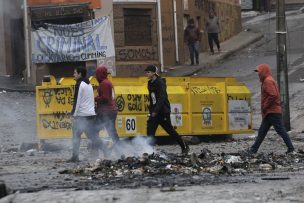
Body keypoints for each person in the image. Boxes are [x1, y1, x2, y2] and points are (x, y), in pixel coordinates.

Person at [249, 64, 295, 154]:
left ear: (264, 71)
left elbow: (273, 95)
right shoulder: (267, 80)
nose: (258, 74)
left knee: (280, 130)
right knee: (262, 132)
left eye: (259, 72)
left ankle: (291, 148)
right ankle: (253, 149)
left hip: (272, 112)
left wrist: (265, 105)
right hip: (269, 112)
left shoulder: (267, 81)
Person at [145, 65, 189, 154]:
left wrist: (156, 110)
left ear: (154, 73)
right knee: (150, 131)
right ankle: (150, 151)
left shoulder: (160, 82)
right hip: (154, 112)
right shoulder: (150, 83)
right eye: (146, 72)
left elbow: (162, 98)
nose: (147, 74)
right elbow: (152, 98)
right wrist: (151, 110)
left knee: (170, 130)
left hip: (162, 112)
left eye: (148, 72)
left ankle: (184, 146)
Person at [68, 67, 105, 162]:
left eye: (75, 73)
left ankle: (75, 157)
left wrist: (73, 114)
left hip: (82, 115)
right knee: (93, 136)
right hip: (90, 114)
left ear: (80, 74)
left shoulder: (79, 84)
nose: (74, 75)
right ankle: (106, 150)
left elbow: (77, 101)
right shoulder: (89, 84)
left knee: (76, 136)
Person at [94, 66, 120, 144]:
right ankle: (120, 150)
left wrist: (96, 98)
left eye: (97, 74)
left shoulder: (104, 83)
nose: (96, 76)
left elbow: (105, 98)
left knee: (94, 130)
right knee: (111, 131)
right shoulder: (107, 82)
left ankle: (99, 149)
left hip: (106, 111)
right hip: (109, 110)